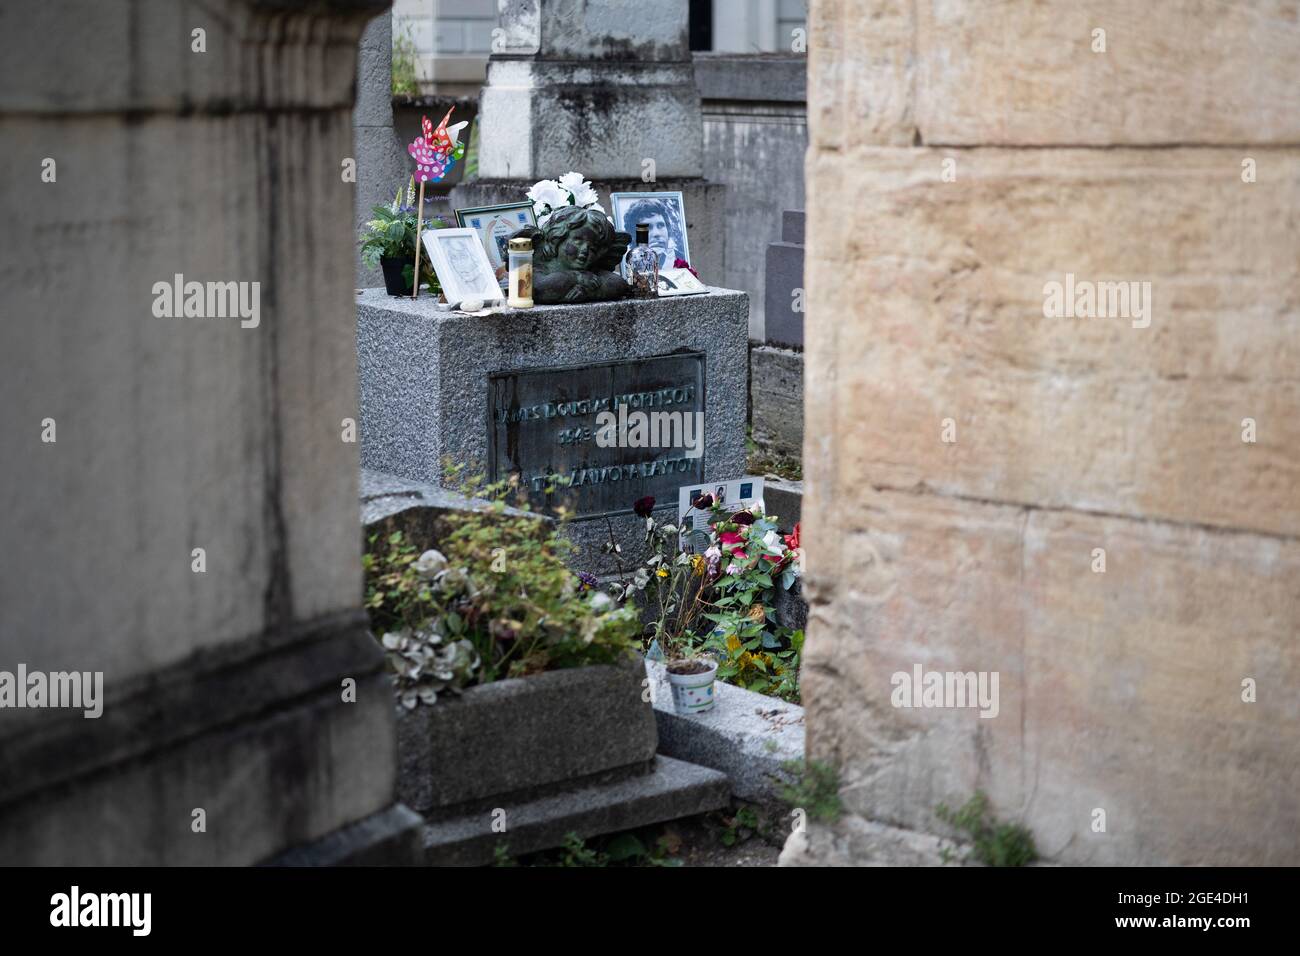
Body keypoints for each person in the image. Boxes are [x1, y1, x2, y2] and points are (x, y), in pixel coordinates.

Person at [620, 197, 685, 271]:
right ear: (634, 235)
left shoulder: (683, 260)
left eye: (660, 225)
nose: (656, 234)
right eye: (647, 228)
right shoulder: (627, 265)